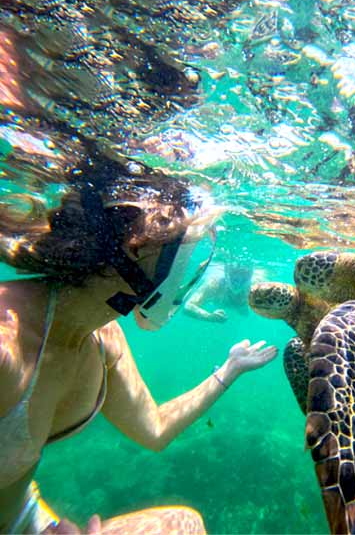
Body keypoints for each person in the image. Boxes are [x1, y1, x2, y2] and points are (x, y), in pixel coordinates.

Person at [0, 168, 278, 534]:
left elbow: (154, 429)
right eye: (181, 256)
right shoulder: (8, 343)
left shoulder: (103, 339)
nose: (183, 279)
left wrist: (230, 369)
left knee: (183, 525)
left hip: (25, 520)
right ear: (136, 250)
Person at [184, 262, 260, 322]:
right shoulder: (214, 283)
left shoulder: (256, 287)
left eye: (244, 279)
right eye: (234, 279)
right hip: (228, 306)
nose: (238, 284)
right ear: (226, 274)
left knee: (244, 313)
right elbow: (188, 306)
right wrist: (209, 316)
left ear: (250, 277)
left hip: (241, 310)